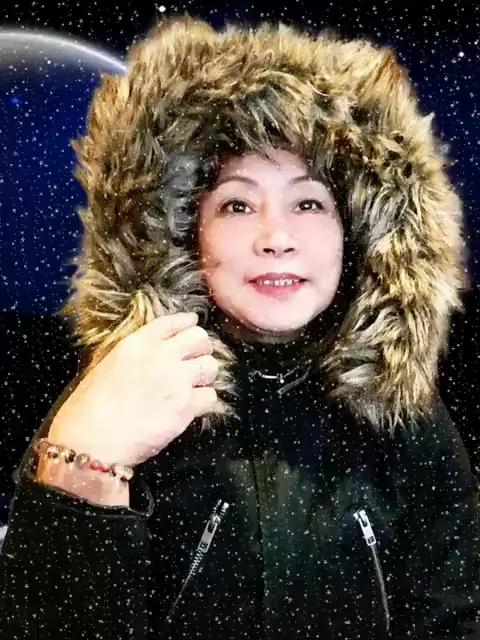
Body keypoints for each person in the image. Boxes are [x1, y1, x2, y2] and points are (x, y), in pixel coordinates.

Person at [1, 14, 479, 640]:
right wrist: (83, 463)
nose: (276, 238)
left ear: (358, 232)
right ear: (183, 231)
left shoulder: (406, 416)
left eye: (308, 202)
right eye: (236, 204)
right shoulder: (123, 391)